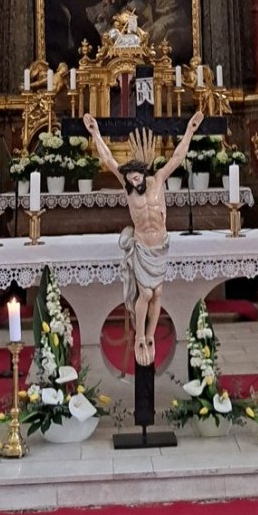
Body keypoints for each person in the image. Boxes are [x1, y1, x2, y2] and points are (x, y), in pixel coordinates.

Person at [83, 109, 204, 366]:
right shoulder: (129, 190)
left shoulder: (157, 180)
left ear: (143, 173)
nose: (132, 181)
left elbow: (177, 157)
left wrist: (190, 130)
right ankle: (139, 335)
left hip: (159, 245)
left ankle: (150, 336)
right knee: (146, 294)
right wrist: (95, 133)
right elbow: (108, 159)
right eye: (129, 178)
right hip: (142, 247)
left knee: (158, 292)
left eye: (135, 177)